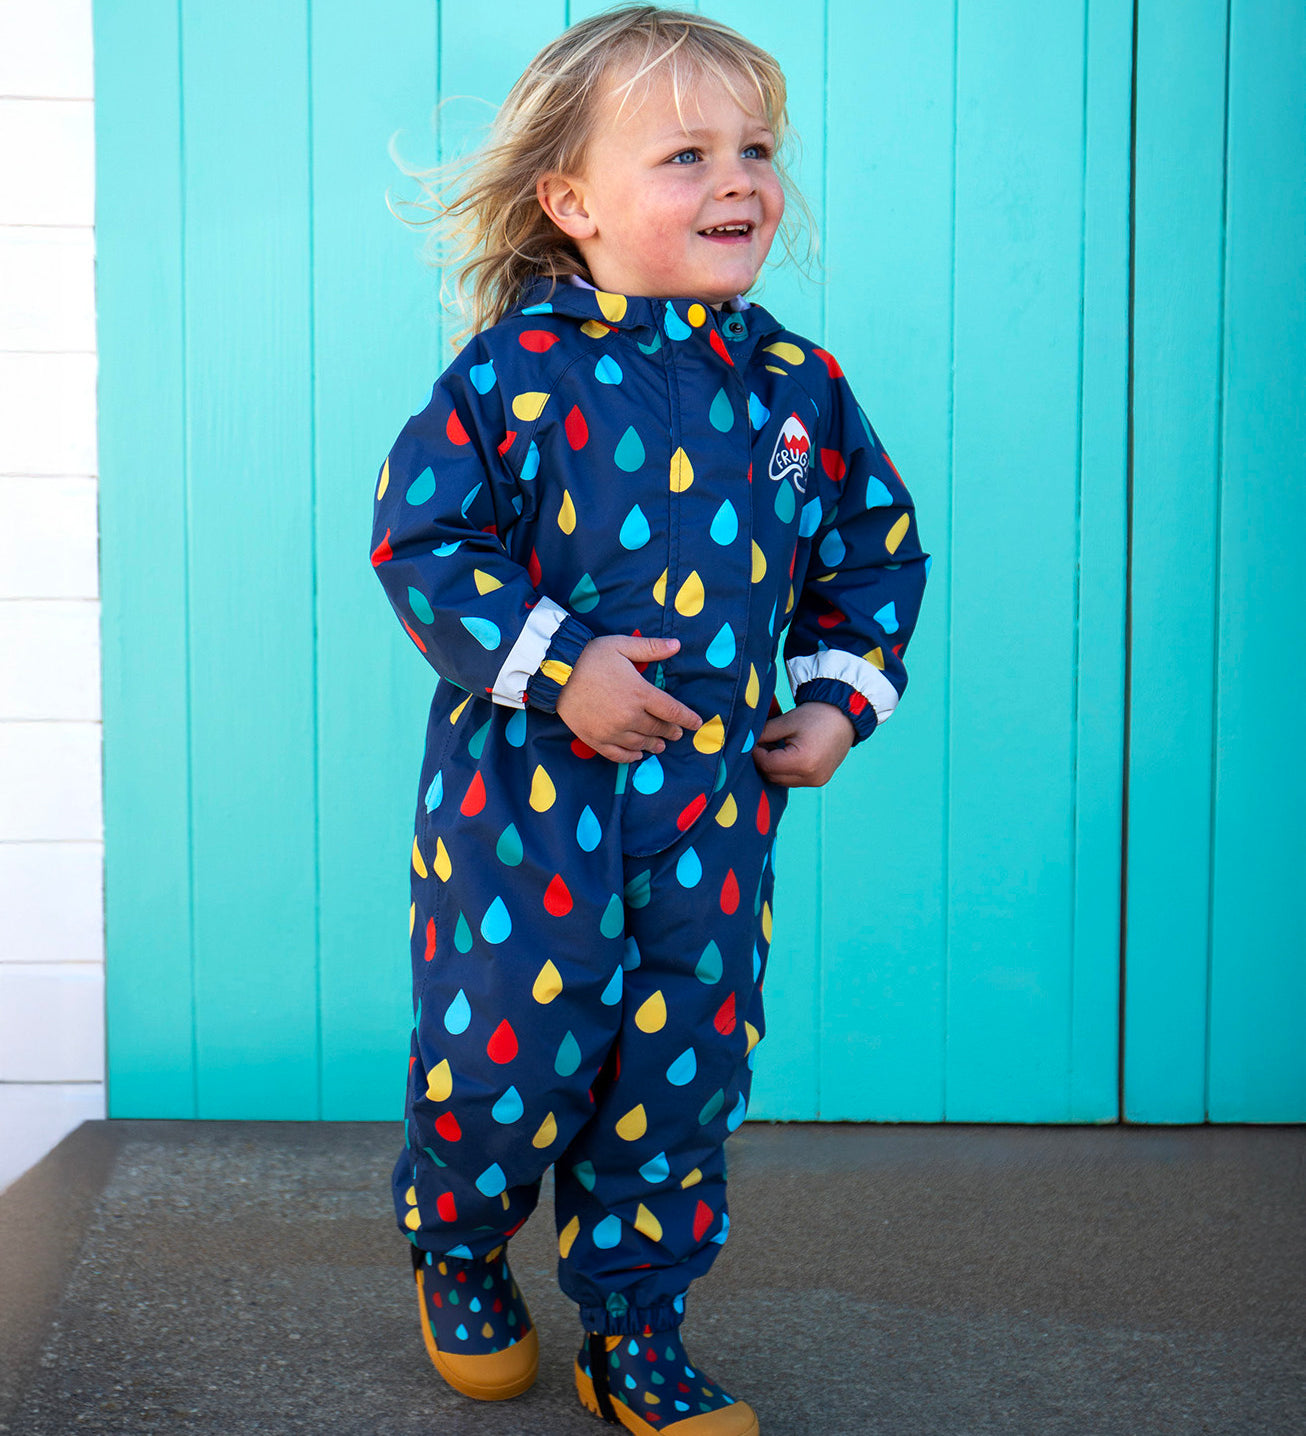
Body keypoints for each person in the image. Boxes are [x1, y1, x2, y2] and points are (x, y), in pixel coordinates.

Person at [370, 7, 928, 1432]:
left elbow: (874, 552)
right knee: (506, 1057)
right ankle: (460, 1243)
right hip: (524, 808)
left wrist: (837, 699)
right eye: (684, 154)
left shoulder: (798, 387)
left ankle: (636, 1330)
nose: (737, 181)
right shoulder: (508, 378)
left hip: (712, 811)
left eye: (754, 150)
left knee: (681, 1067)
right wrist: (561, 665)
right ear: (572, 202)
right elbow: (423, 547)